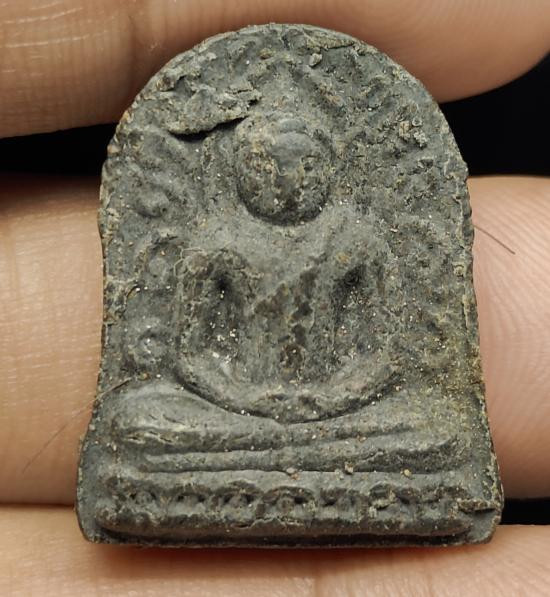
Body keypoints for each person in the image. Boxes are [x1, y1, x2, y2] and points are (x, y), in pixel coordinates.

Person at [1, 1, 549, 594]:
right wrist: (245, 398)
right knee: (138, 424)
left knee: (437, 430)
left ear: (329, 170)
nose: (288, 183)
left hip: (343, 413)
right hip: (230, 406)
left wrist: (334, 397)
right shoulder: (216, 244)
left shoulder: (357, 242)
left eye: (305, 168)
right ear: (242, 170)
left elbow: (383, 354)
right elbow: (189, 356)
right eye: (269, 168)